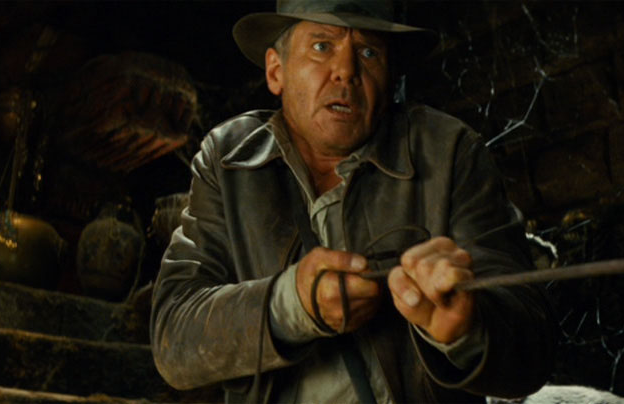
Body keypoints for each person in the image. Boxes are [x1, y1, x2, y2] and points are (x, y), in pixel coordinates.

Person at [150, 0, 556, 403]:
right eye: (322, 46)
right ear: (276, 71)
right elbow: (174, 339)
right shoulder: (227, 160)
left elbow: (532, 349)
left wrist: (466, 331)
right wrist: (292, 305)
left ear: (389, 76)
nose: (346, 70)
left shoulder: (449, 152)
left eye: (368, 52)